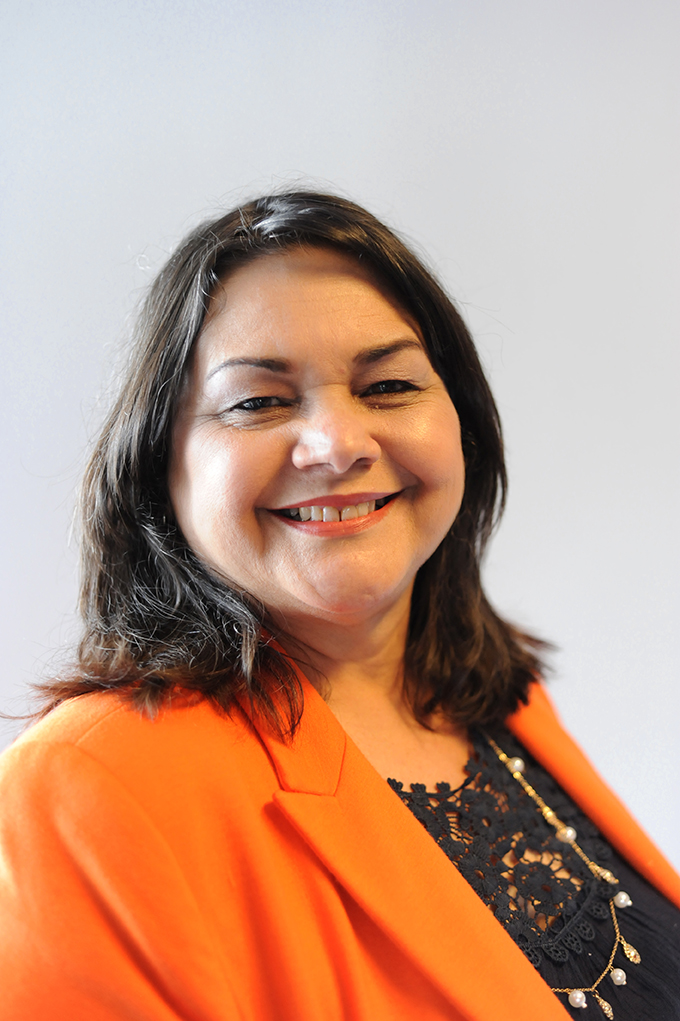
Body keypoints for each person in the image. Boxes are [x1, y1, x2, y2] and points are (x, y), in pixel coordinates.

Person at [0, 191, 678, 1021]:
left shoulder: (499, 700)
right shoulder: (88, 789)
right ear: (159, 465)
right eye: (259, 401)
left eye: (388, 385)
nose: (340, 445)